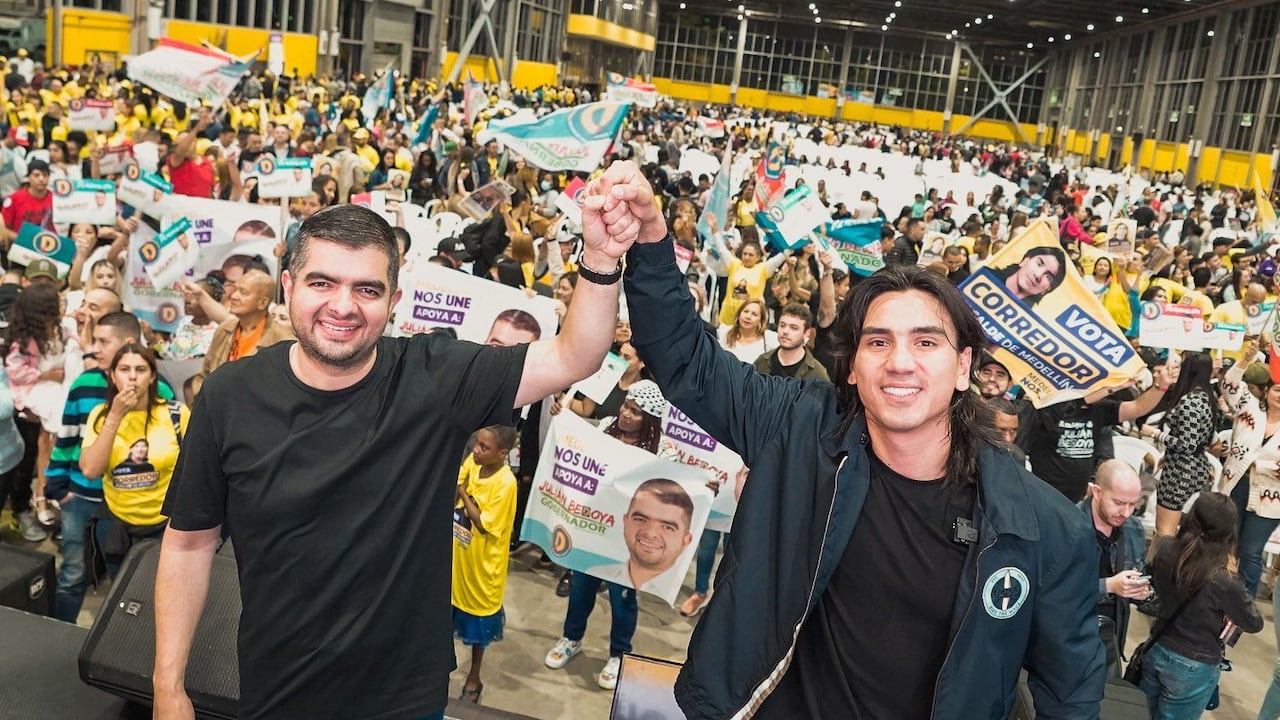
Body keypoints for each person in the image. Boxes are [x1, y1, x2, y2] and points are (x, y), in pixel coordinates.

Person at [610, 161, 1105, 719]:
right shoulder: (796, 428)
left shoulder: (1043, 529)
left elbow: (1072, 694)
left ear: (964, 366)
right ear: (850, 367)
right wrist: (652, 240)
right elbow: (684, 362)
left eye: (925, 343)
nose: (899, 364)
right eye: (877, 343)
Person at [155, 181, 633, 720]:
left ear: (394, 301)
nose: (343, 305)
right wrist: (168, 684)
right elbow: (190, 544)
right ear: (288, 287)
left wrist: (600, 257)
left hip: (403, 697)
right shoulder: (229, 394)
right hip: (276, 687)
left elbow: (576, 355)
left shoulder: (437, 375)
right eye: (322, 282)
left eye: (367, 289)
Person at [545, 379, 670, 691]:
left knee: (622, 598)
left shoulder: (661, 451)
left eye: (636, 412)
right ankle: (571, 638)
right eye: (626, 405)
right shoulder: (603, 427)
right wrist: (564, 419)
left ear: (650, 421)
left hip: (628, 542)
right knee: (581, 589)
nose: (626, 414)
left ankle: (619, 654)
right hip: (593, 529)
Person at [1136, 492, 1263, 719]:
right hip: (1195, 663)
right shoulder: (1224, 580)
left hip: (1157, 646)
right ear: (1229, 531)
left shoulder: (1165, 549)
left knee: (1141, 714)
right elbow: (1254, 622)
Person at [79, 343, 188, 566]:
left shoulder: (176, 413)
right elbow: (90, 470)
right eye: (124, 369)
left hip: (166, 525)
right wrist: (115, 416)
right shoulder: (100, 415)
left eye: (140, 370)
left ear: (152, 376)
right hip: (117, 526)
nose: (132, 378)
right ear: (112, 376)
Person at [452, 424, 519, 705]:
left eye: (483, 447)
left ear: (502, 453)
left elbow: (483, 521)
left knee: (478, 628)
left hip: (483, 568)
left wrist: (464, 494)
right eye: (476, 444)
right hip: (458, 559)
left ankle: (474, 676)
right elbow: (457, 488)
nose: (476, 451)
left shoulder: (506, 484)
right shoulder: (473, 462)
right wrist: (462, 493)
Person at [1219, 343, 1280, 598]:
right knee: (1225, 547)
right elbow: (1229, 385)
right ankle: (1216, 600)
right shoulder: (1249, 408)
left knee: (1251, 552)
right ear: (1267, 390)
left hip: (1270, 499)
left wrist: (1259, 465)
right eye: (1277, 389)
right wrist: (1244, 360)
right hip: (1235, 485)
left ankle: (1243, 607)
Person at [1080, 459, 1149, 679]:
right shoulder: (1068, 525)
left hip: (1111, 637)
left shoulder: (1134, 529)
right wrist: (1109, 585)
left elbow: (1140, 577)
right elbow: (1053, 589)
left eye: (1133, 504)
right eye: (1119, 503)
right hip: (1070, 634)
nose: (1126, 512)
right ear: (1097, 492)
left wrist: (1143, 592)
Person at [1139, 351, 1217, 537]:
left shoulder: (1191, 401)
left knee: (1165, 531)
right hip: (1192, 467)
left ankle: (1161, 565)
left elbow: (1187, 444)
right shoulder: (1207, 396)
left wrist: (1156, 434)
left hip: (1181, 471)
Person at [752, 302, 829, 381]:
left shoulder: (817, 374)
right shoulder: (761, 362)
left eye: (793, 328)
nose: (785, 331)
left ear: (806, 333)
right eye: (782, 325)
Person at [990, 245, 1066, 307]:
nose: (1038, 275)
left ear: (1046, 290)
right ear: (1025, 260)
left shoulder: (1027, 322)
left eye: (1048, 277)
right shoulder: (984, 275)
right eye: (1039, 264)